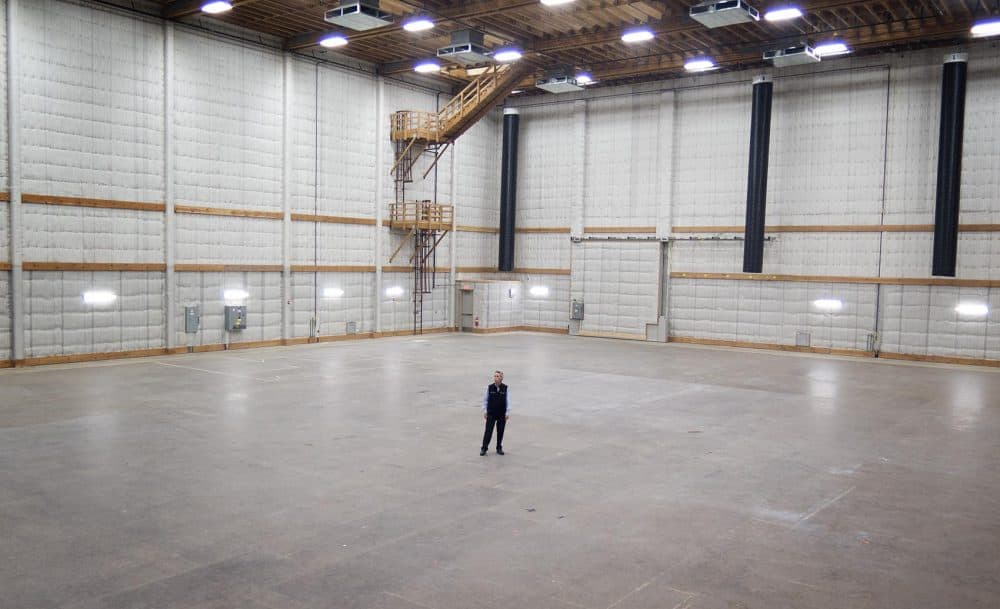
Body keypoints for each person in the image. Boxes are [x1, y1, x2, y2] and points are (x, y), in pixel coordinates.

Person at [481, 370, 510, 456]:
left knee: (500, 431)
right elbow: (485, 400)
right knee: (488, 431)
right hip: (491, 413)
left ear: (502, 378)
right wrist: (485, 411)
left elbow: (508, 401)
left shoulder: (506, 388)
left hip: (502, 413)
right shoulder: (489, 388)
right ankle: (484, 448)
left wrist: (507, 412)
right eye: (495, 376)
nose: (496, 378)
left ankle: (499, 447)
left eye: (498, 376)